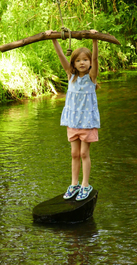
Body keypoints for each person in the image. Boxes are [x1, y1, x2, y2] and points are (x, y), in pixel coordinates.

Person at [45, 29, 100, 201]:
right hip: (73, 121)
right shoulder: (71, 76)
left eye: (85, 60)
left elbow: (96, 59)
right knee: (74, 154)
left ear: (90, 63)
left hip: (87, 122)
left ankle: (85, 184)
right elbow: (61, 55)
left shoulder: (91, 78)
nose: (82, 63)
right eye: (78, 60)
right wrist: (54, 39)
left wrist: (95, 40)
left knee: (84, 154)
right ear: (73, 64)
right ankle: (74, 184)